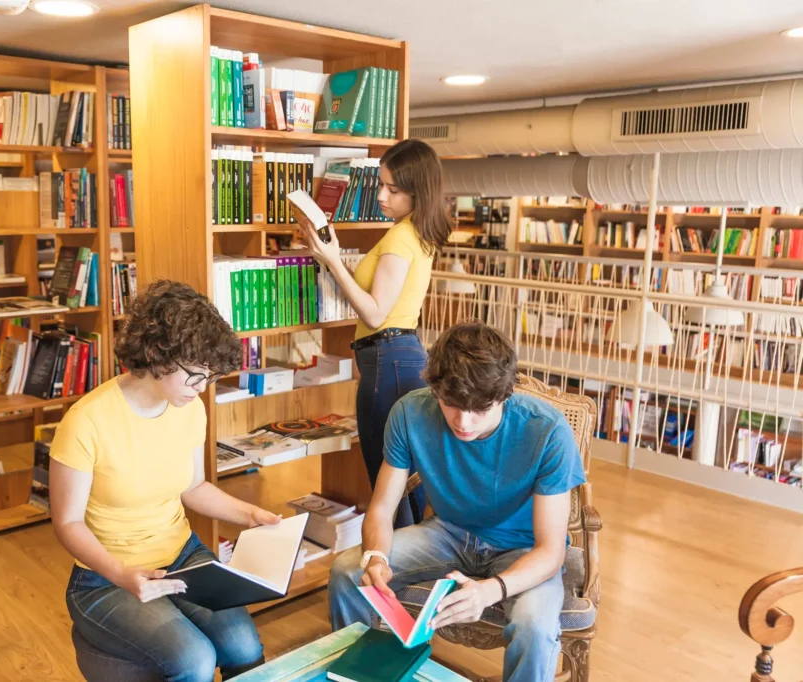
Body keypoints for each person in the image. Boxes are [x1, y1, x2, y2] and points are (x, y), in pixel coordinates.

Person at [328, 322, 586, 682]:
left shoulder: (547, 430)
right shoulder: (409, 413)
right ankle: (362, 675)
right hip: (448, 532)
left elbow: (550, 550)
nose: (463, 421)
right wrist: (375, 557)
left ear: (504, 395)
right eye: (450, 403)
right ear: (435, 387)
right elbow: (382, 509)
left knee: (535, 624)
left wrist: (491, 590)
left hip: (522, 548)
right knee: (347, 571)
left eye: (480, 409)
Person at [50, 279, 280, 682]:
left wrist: (252, 515)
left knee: (243, 646)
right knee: (193, 660)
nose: (201, 389)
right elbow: (67, 523)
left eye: (209, 377)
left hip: (181, 557)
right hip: (105, 576)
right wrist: (121, 574)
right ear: (158, 355)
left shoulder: (188, 407)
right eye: (195, 376)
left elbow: (193, 487)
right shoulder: (86, 421)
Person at [293, 139, 451, 528]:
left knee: (388, 483)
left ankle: (395, 561)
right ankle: (414, 559)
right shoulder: (415, 233)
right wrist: (332, 260)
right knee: (405, 481)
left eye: (392, 190)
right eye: (381, 184)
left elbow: (375, 313)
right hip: (400, 356)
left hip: (388, 359)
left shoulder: (400, 238)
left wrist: (333, 261)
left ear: (417, 192)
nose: (381, 196)